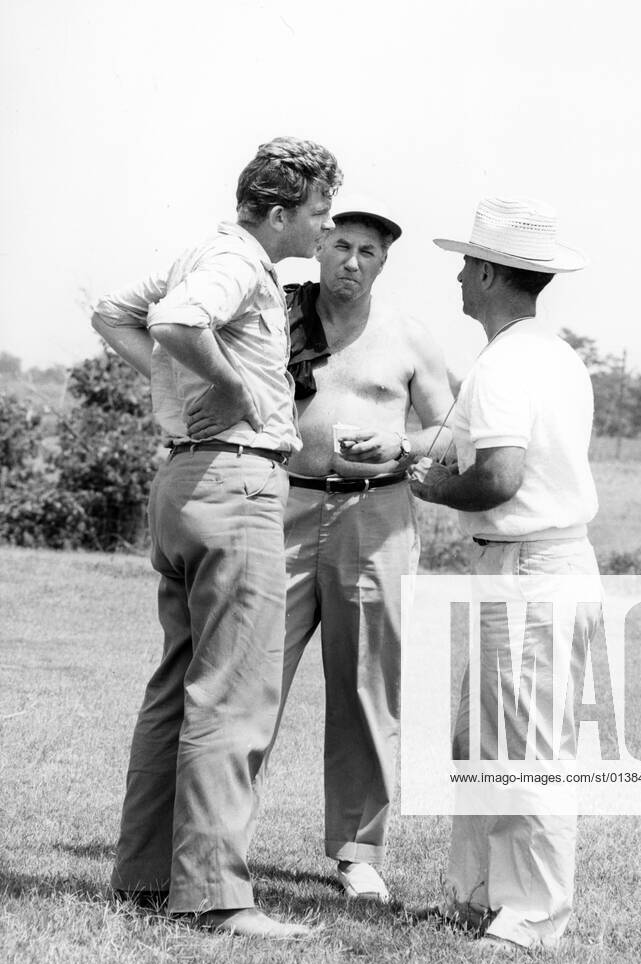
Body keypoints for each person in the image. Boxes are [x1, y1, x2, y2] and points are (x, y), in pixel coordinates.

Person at [91, 137, 342, 938]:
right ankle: (216, 898)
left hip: (184, 481)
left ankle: (145, 878)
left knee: (178, 686)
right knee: (233, 693)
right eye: (317, 212)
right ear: (276, 213)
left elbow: (112, 312)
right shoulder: (239, 263)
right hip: (235, 484)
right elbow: (172, 320)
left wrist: (182, 389)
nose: (325, 226)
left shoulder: (204, 250)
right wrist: (227, 387)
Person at [409, 197, 601, 953]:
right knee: (484, 740)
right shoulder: (542, 355)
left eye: (465, 263)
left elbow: (496, 478)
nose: (457, 275)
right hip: (526, 569)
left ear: (487, 272)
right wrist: (400, 450)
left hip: (529, 570)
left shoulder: (506, 362)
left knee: (525, 746)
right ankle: (479, 898)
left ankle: (531, 917)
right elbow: (458, 441)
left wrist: (427, 489)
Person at [271, 200, 454, 903]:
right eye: (340, 245)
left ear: (383, 263)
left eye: (367, 253)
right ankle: (215, 840)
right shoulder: (276, 318)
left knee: (366, 687)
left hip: (374, 516)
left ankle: (357, 853)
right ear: (317, 247)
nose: (351, 262)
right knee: (250, 675)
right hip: (280, 503)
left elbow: (449, 431)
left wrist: (400, 446)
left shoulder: (408, 336)